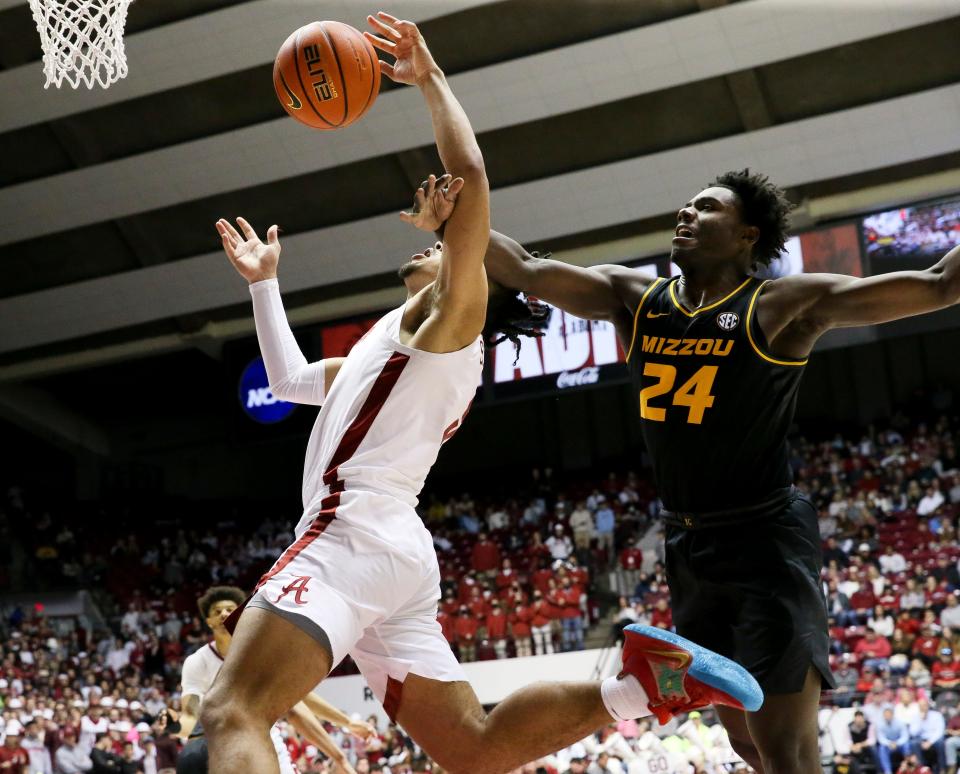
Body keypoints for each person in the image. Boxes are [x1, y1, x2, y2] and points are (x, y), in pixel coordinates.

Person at [203, 13, 762, 774]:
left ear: (473, 286)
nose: (434, 245)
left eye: (449, 250)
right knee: (472, 746)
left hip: (353, 530)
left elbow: (470, 175)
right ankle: (636, 687)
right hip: (394, 550)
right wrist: (265, 286)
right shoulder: (399, 346)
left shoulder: (451, 324)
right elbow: (290, 382)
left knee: (231, 709)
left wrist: (428, 78)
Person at [484, 159, 960, 772]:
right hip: (689, 546)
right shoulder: (635, 297)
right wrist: (454, 218)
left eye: (707, 207)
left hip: (766, 544)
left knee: (786, 749)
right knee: (743, 743)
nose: (687, 212)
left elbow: (940, 285)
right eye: (687, 204)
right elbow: (520, 268)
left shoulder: (781, 305)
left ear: (747, 236)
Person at [160, 586, 369, 774]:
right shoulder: (197, 662)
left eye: (230, 609)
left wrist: (347, 723)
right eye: (217, 611)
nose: (224, 614)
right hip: (221, 749)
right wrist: (176, 725)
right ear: (209, 621)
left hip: (265, 742)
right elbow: (191, 720)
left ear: (241, 614)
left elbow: (299, 699)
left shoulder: (261, 655)